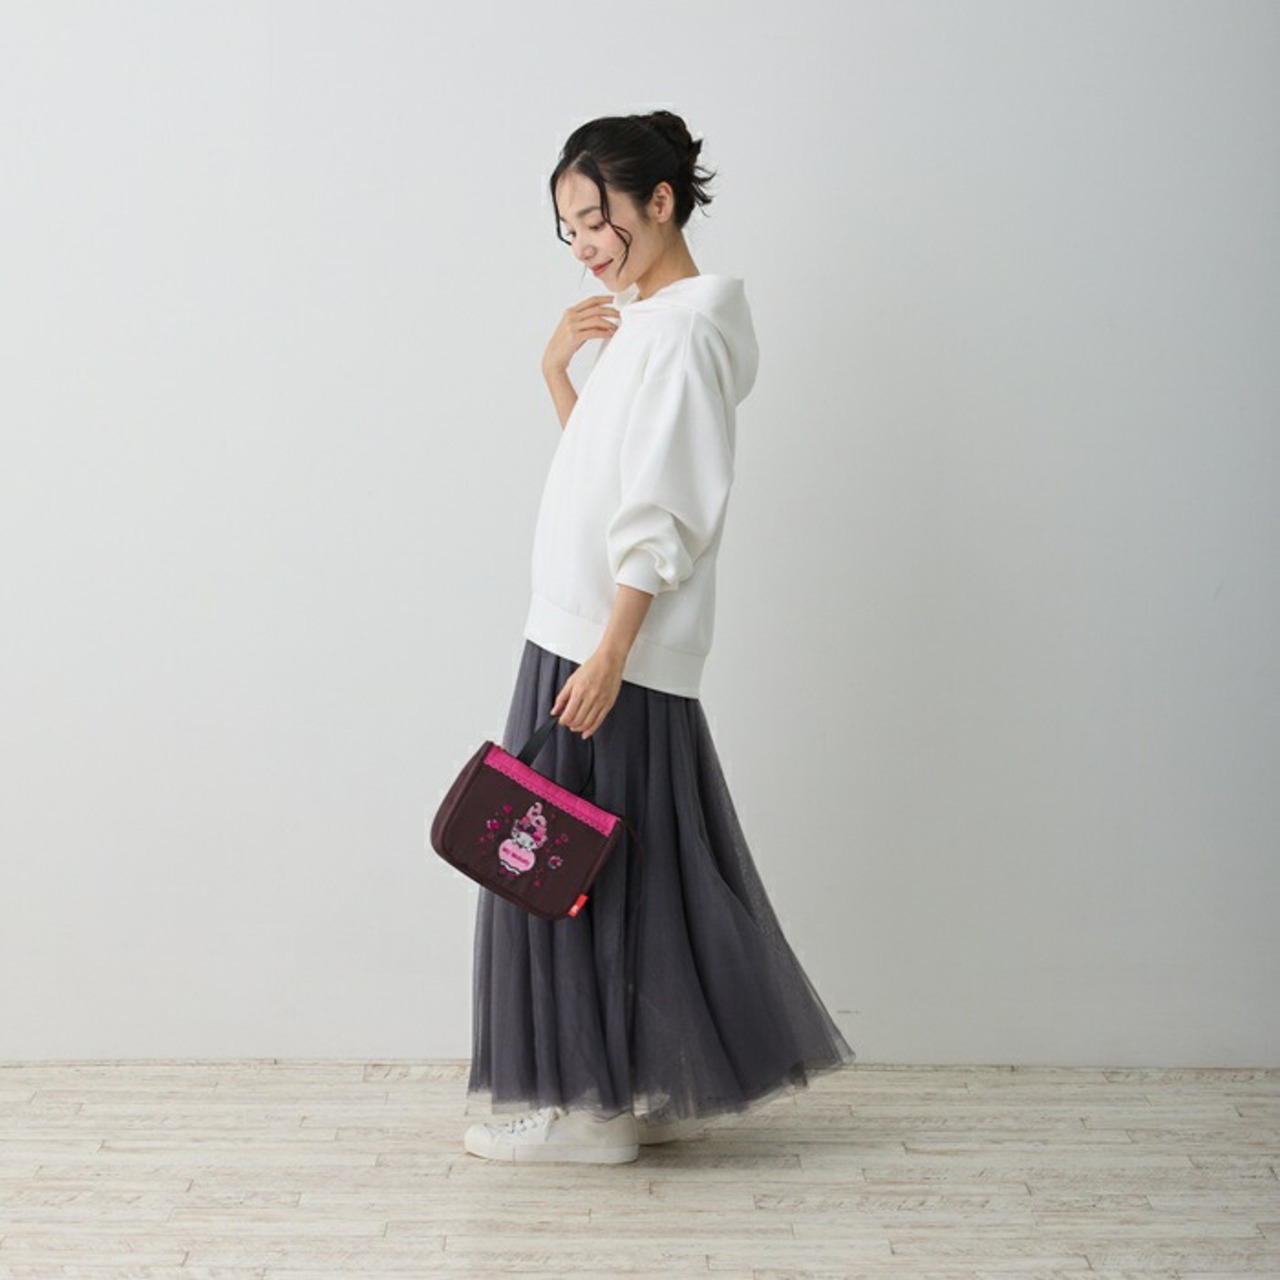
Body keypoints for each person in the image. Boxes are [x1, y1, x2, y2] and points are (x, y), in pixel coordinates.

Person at [463, 110, 855, 1164]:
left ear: (660, 202)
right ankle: (638, 1092)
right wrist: (558, 377)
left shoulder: (678, 334)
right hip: (599, 634)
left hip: (601, 643)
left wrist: (607, 653)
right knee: (624, 865)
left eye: (598, 219)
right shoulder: (655, 325)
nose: (586, 245)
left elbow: (664, 512)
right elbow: (612, 481)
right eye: (569, 229)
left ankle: (590, 1113)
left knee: (555, 867)